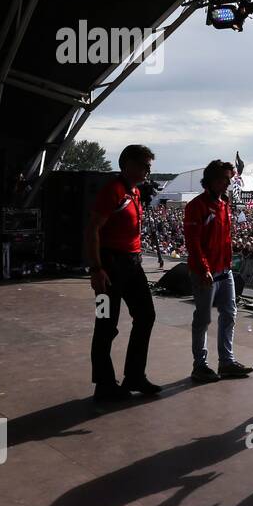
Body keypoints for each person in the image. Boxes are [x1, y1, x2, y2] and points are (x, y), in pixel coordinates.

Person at [87, 144, 159, 401]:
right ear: (127, 164)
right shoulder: (113, 191)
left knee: (146, 315)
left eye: (149, 166)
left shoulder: (135, 192)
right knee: (105, 325)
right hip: (109, 266)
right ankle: (104, 384)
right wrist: (96, 269)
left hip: (131, 265)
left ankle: (135, 376)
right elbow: (93, 229)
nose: (148, 171)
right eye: (144, 165)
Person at [185, 159, 253, 383]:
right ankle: (200, 365)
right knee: (203, 319)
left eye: (229, 179)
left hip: (225, 271)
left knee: (230, 314)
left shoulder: (224, 204)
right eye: (224, 179)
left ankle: (226, 362)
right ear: (212, 179)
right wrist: (204, 269)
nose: (227, 183)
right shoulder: (196, 206)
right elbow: (194, 243)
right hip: (206, 272)